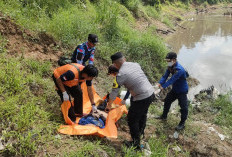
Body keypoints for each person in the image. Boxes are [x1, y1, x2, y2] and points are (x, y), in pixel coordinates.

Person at [106, 52, 155, 150]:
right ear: (124, 58)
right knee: (143, 114)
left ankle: (136, 144)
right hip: (150, 93)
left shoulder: (120, 75)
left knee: (132, 119)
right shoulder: (135, 64)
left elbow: (114, 92)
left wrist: (109, 105)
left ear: (115, 64)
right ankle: (140, 133)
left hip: (141, 97)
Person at [156, 52, 189, 131]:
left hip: (182, 90)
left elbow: (171, 80)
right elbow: (165, 76)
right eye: (167, 61)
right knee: (167, 101)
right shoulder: (170, 66)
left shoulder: (180, 70)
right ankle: (164, 116)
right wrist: (159, 83)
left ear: (174, 60)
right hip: (175, 89)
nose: (167, 62)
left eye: (168, 60)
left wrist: (162, 87)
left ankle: (182, 124)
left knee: (183, 107)